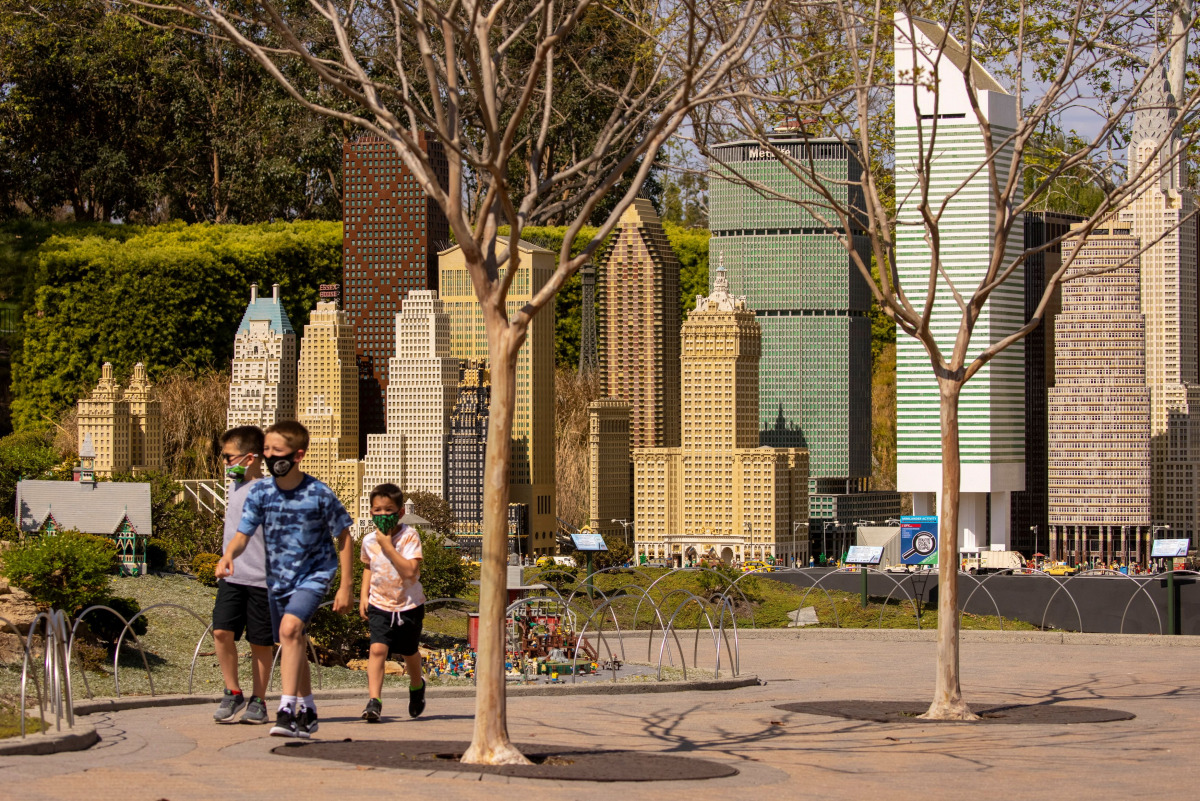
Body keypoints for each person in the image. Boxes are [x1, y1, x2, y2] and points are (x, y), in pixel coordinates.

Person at [216, 421, 354, 739]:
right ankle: (307, 708)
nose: (269, 456)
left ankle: (286, 710)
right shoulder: (260, 491)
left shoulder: (319, 493)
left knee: (289, 632)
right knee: (291, 639)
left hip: (312, 575)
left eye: (276, 451)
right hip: (278, 578)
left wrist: (346, 586)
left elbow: (343, 533)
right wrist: (228, 555)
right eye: (266, 450)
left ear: (297, 455)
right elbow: (243, 532)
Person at [211, 426, 273, 724]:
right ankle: (233, 691)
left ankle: (259, 700)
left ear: (249, 458)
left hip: (262, 581)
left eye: (228, 457)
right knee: (222, 632)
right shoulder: (234, 486)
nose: (224, 463)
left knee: (260, 643)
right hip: (232, 577)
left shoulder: (268, 490)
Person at [358, 483, 426, 721]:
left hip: (409, 605)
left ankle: (417, 686)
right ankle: (374, 701)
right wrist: (363, 595)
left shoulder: (409, 537)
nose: (383, 515)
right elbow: (368, 567)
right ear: (370, 512)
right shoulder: (368, 541)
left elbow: (410, 571)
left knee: (409, 652)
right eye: (377, 510)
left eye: (389, 510)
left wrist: (388, 545)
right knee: (377, 649)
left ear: (399, 512)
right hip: (379, 604)